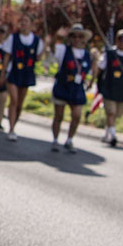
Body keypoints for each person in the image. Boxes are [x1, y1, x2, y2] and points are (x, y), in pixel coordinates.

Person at [95, 28, 123, 147]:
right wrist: (94, 82)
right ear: (116, 40)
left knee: (117, 114)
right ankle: (113, 136)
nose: (122, 42)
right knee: (111, 112)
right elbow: (100, 68)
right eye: (120, 39)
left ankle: (107, 131)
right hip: (109, 88)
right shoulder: (109, 53)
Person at [50, 24, 91, 152]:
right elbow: (51, 47)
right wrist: (56, 36)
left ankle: (69, 139)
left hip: (77, 89)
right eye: (74, 36)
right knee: (59, 115)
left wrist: (91, 81)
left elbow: (89, 70)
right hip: (63, 87)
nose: (77, 39)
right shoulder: (63, 49)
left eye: (80, 36)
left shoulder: (86, 54)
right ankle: (55, 140)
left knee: (77, 114)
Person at [5, 14, 42, 142]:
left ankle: (14, 125)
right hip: (14, 72)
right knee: (14, 100)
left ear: (31, 24)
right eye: (22, 21)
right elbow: (7, 56)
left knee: (20, 104)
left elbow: (38, 57)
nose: (23, 24)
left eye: (26, 21)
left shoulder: (37, 40)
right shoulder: (13, 38)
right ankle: (10, 128)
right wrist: (2, 73)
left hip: (27, 73)